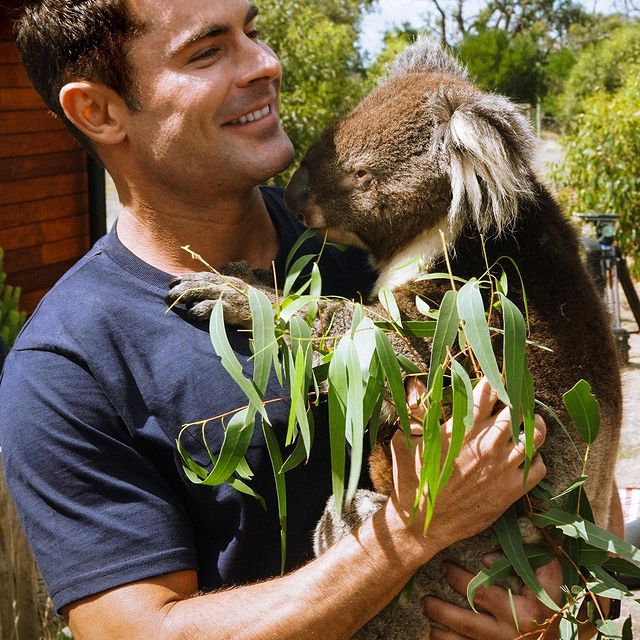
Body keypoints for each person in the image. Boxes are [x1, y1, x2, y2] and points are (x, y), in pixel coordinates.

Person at [0, 1, 619, 638]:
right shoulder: (67, 367)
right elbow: (139, 632)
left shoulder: (392, 240)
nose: (265, 64)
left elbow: (580, 456)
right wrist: (409, 533)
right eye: (207, 51)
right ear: (98, 111)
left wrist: (568, 611)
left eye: (255, 30)